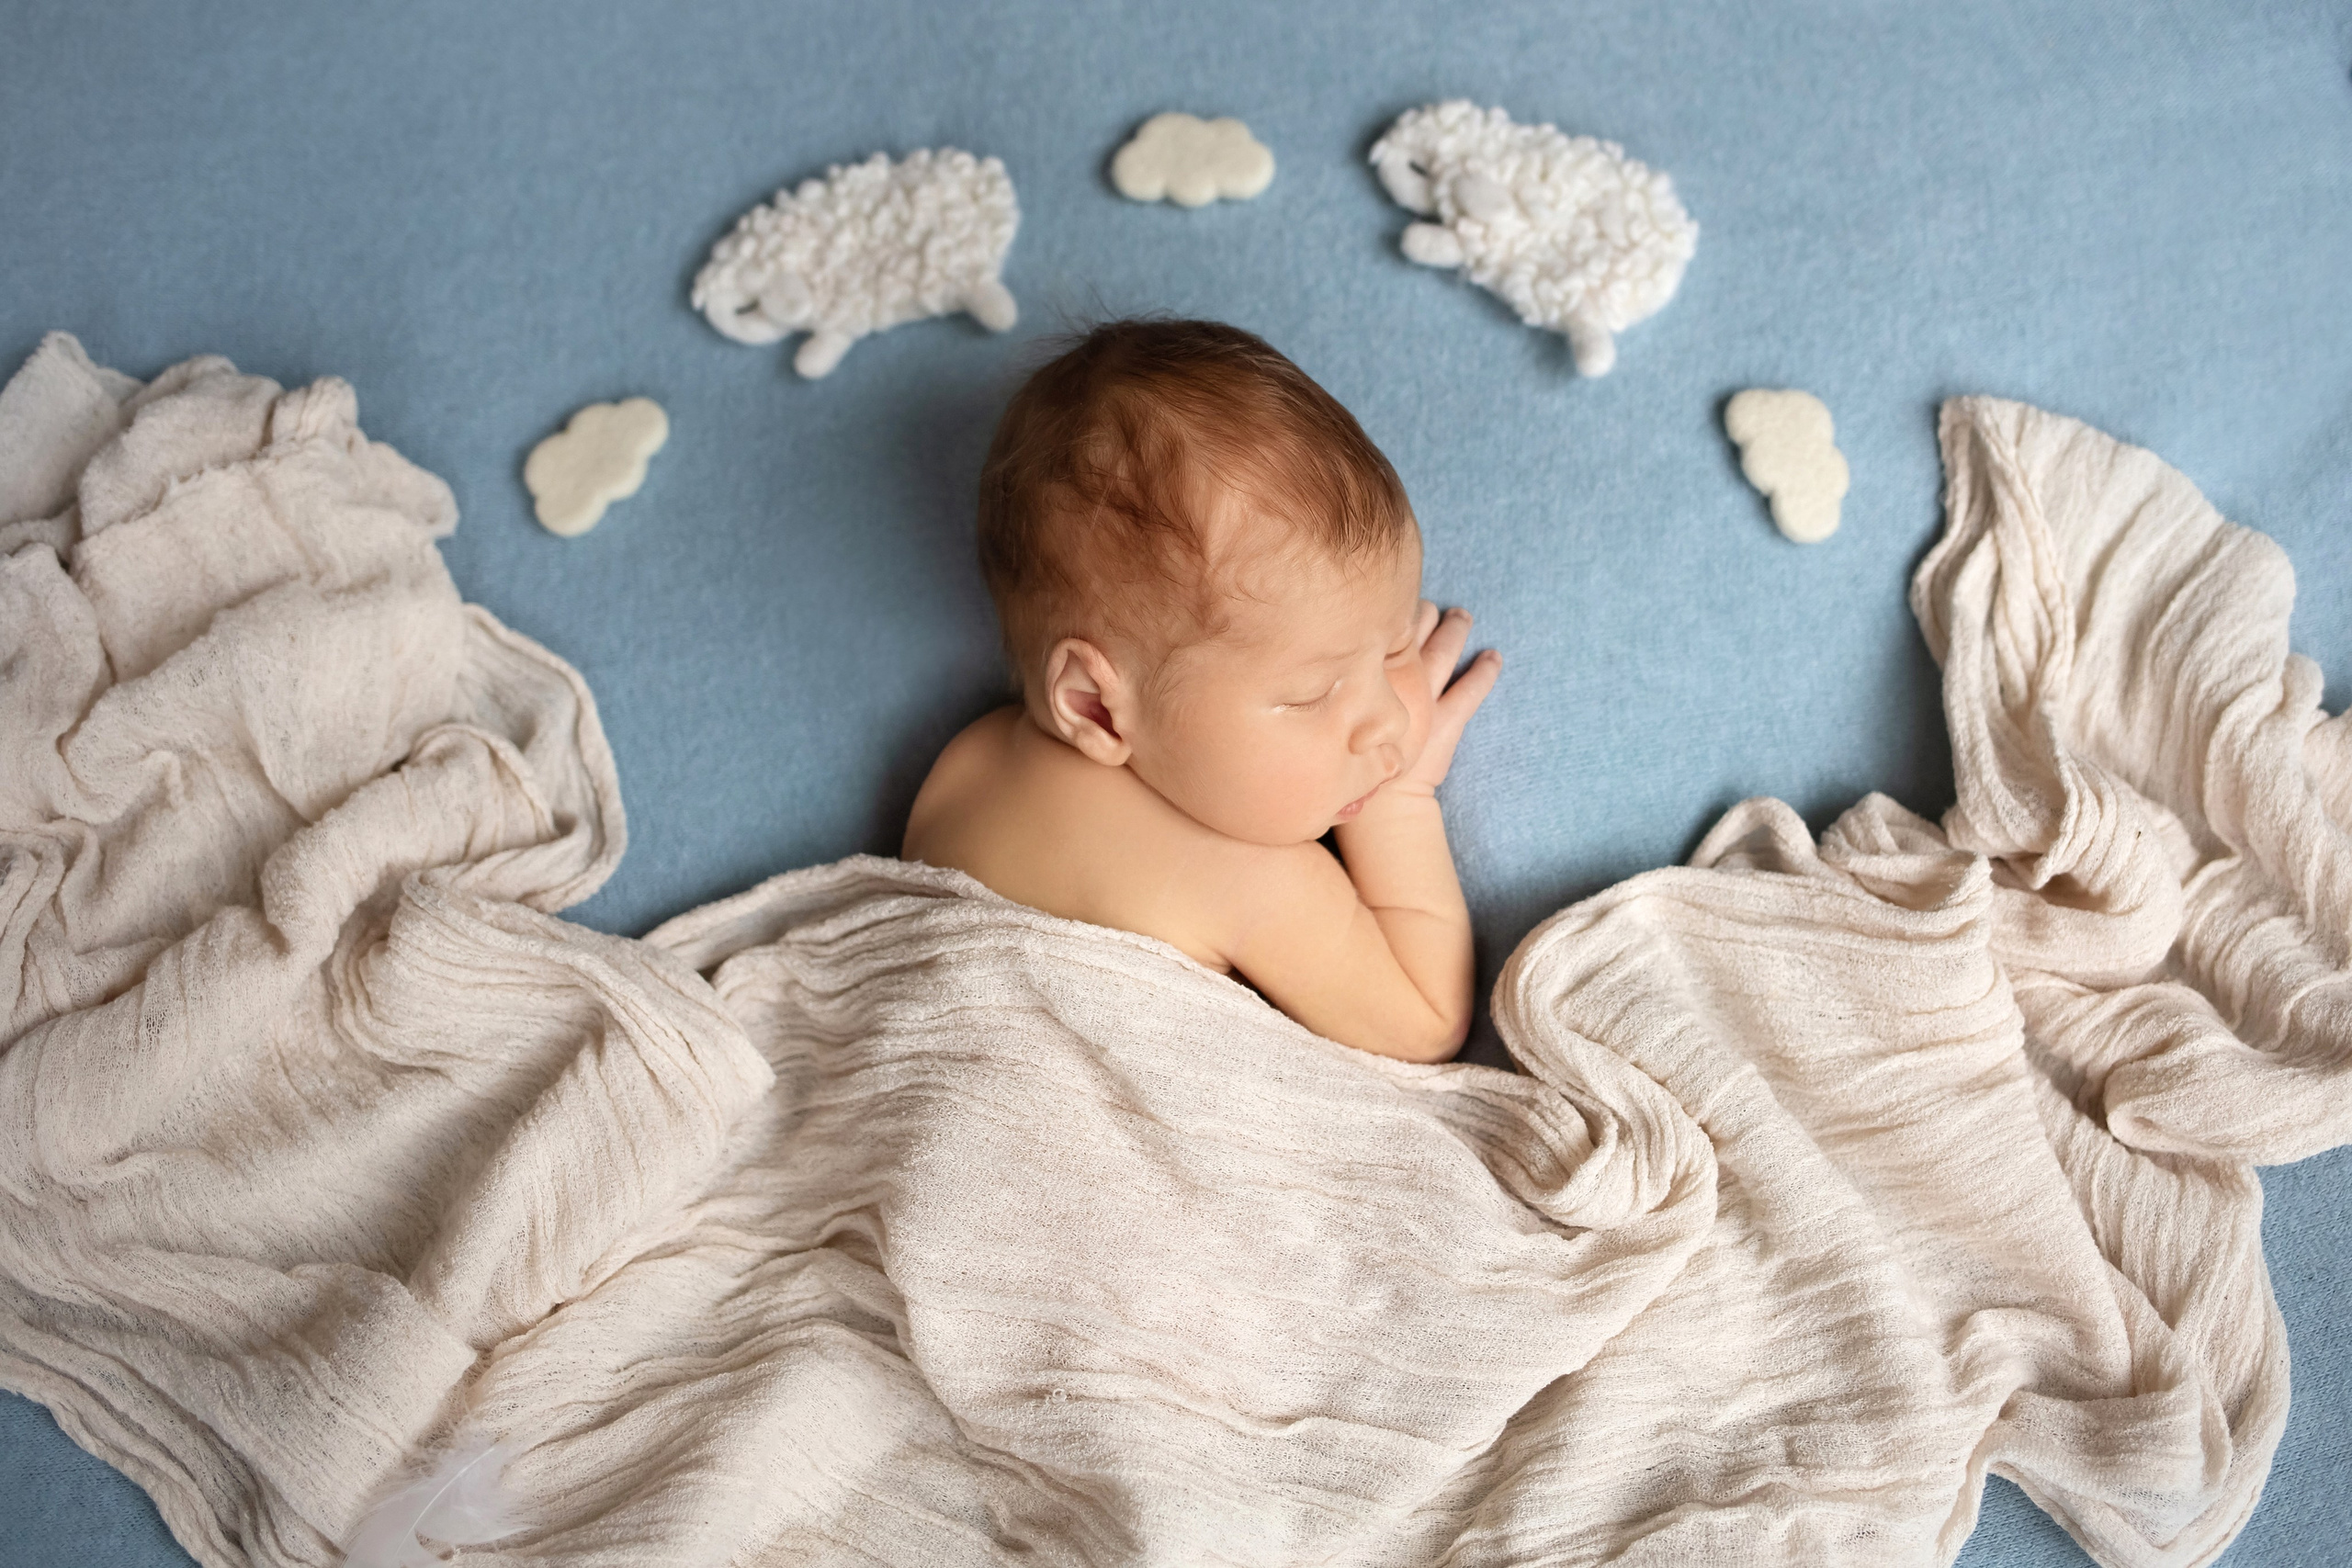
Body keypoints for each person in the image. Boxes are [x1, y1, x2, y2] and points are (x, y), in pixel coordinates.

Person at [903, 319, 1500, 1062]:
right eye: (1312, 692)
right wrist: (1402, 799)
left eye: (1397, 644)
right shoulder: (1257, 878)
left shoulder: (966, 767)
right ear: (1094, 705)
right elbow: (1428, 1021)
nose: (1387, 720)